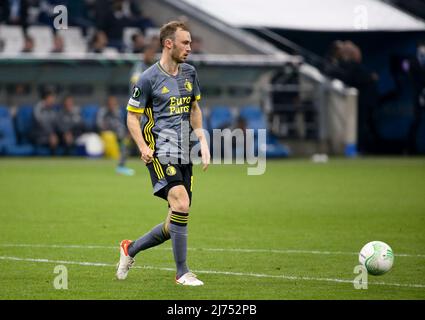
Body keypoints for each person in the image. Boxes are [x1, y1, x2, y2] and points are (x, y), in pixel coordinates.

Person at [116, 20, 210, 286]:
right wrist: (143, 147)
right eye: (185, 42)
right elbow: (132, 117)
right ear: (169, 44)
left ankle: (129, 249)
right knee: (181, 203)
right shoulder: (148, 78)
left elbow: (194, 109)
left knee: (174, 222)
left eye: (190, 43)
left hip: (184, 152)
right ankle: (182, 272)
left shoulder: (190, 73)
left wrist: (202, 139)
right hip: (159, 150)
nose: (190, 48)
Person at [96, 95, 135, 176]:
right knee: (111, 136)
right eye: (111, 103)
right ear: (107, 104)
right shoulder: (103, 112)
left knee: (127, 141)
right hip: (109, 135)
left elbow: (123, 123)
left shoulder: (118, 112)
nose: (112, 105)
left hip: (121, 135)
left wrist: (128, 132)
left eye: (114, 103)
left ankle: (121, 167)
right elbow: (100, 125)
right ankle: (118, 166)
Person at [32, 88, 60, 154]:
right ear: (47, 97)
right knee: (53, 139)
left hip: (51, 134)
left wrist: (65, 132)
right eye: (52, 97)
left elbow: (56, 123)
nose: (53, 99)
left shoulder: (52, 109)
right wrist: (51, 134)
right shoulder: (38, 108)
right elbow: (40, 123)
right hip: (39, 135)